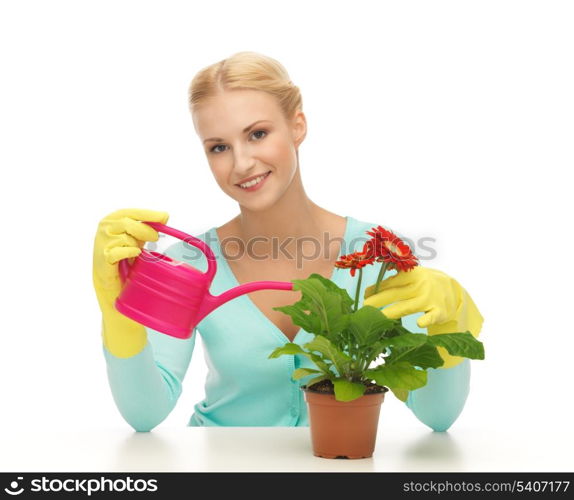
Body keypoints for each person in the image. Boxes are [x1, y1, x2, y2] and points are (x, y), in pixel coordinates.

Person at [92, 51, 484, 432]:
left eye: (257, 134)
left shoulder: (376, 254)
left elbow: (438, 416)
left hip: (341, 465)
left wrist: (450, 324)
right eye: (219, 147)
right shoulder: (190, 263)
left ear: (297, 125)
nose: (242, 163)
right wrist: (118, 313)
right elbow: (145, 414)